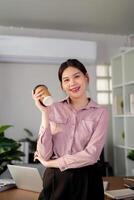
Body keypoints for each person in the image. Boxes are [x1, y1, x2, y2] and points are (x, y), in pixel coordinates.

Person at [32, 59, 109, 200]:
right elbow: (44, 153)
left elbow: (91, 155)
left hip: (87, 180)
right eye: (66, 80)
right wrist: (44, 113)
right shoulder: (53, 109)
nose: (72, 83)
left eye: (77, 76)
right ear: (62, 85)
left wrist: (51, 163)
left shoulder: (100, 112)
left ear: (86, 77)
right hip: (56, 179)